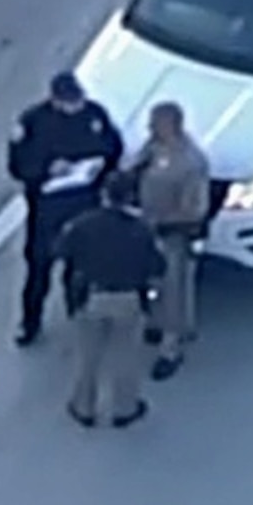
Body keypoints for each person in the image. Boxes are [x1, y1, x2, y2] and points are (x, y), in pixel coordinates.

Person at [4, 70, 126, 347]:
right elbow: (18, 167)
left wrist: (100, 165)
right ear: (55, 100)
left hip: (85, 202)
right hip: (48, 207)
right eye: (70, 101)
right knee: (39, 268)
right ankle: (30, 322)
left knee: (81, 266)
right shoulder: (33, 122)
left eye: (78, 99)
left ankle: (78, 310)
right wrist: (48, 170)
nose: (76, 106)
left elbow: (113, 146)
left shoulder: (94, 115)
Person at [56, 175, 166, 428]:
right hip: (128, 298)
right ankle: (125, 409)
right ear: (130, 197)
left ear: (105, 195)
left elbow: (62, 251)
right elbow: (157, 267)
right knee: (125, 356)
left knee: (88, 356)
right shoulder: (140, 229)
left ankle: (83, 407)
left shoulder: (83, 225)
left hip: (91, 296)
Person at [126, 101, 215, 382]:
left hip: (175, 234)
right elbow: (140, 170)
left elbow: (195, 208)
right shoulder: (152, 148)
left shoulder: (191, 162)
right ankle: (156, 323)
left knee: (174, 289)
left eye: (155, 124)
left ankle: (172, 346)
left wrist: (162, 220)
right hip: (149, 227)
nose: (150, 128)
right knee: (153, 284)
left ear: (171, 125)